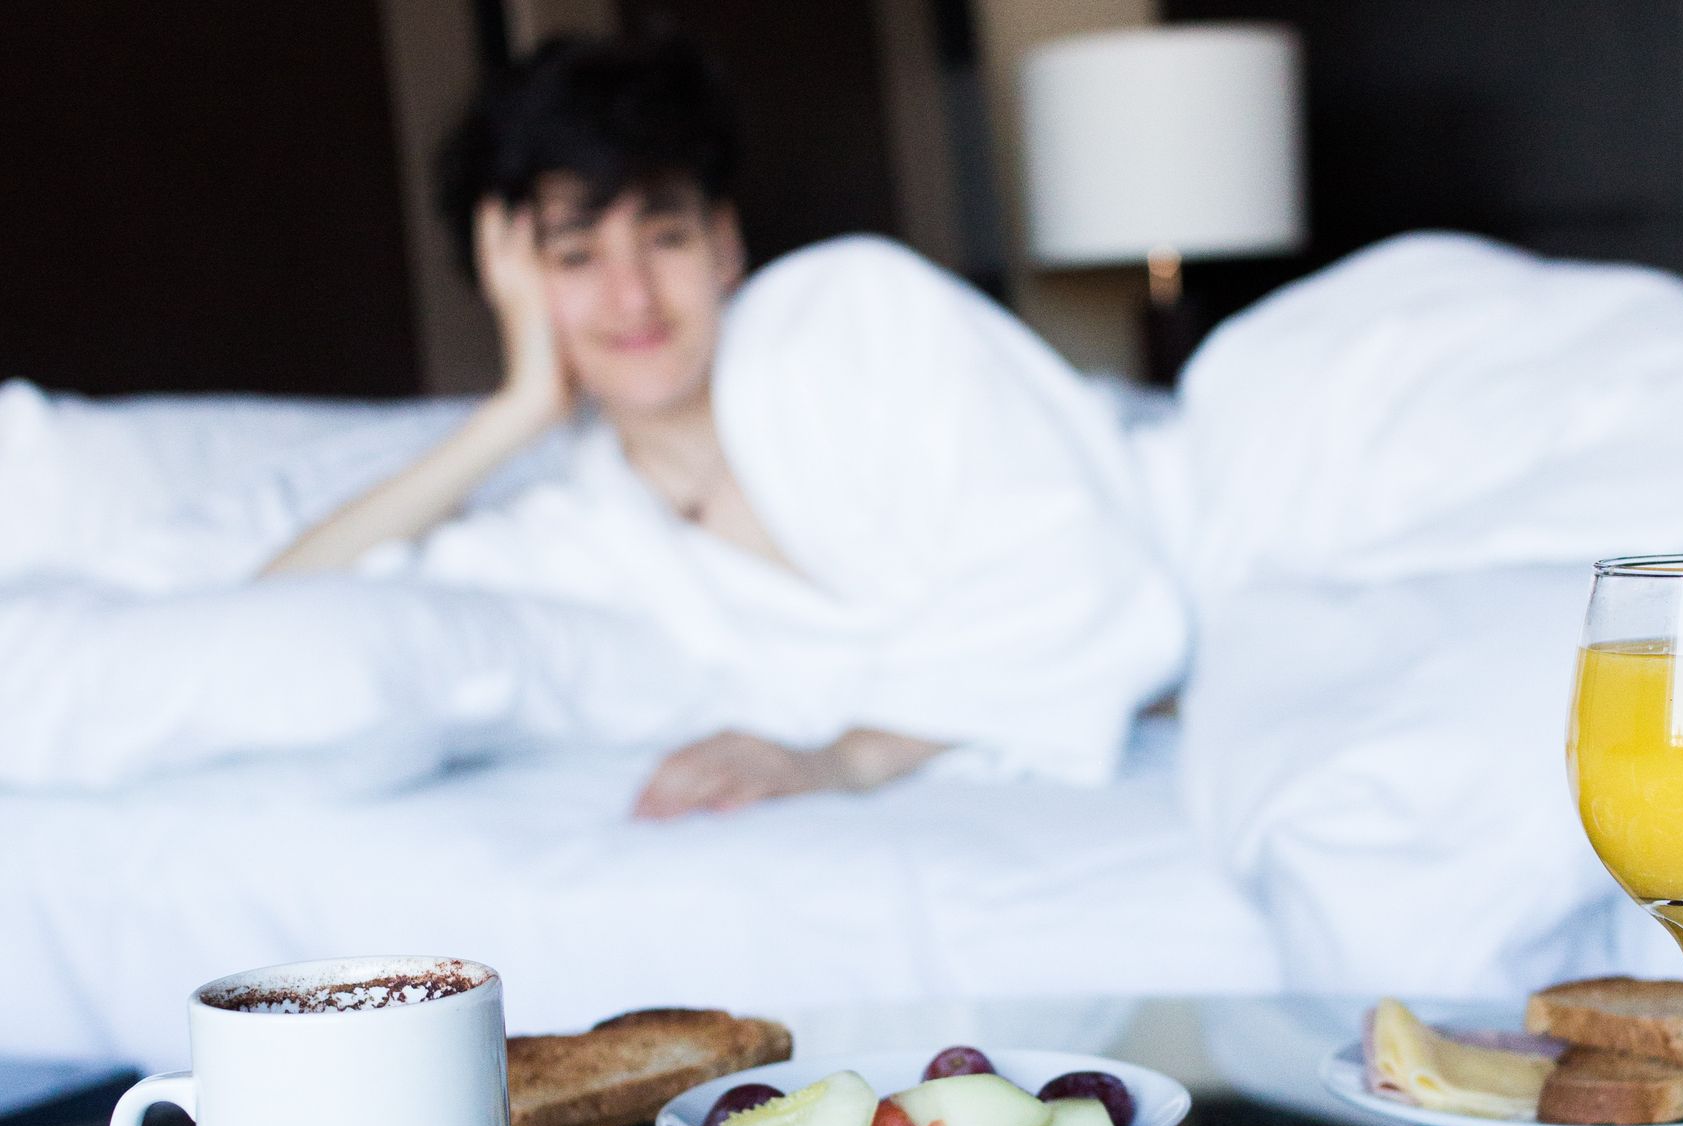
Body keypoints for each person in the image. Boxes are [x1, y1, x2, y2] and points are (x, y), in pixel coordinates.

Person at [263, 28, 1184, 818]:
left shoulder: (852, 312)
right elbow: (273, 622)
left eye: (665, 239)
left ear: (724, 242)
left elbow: (1080, 572)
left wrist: (843, 759)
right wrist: (514, 413)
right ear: (510, 283)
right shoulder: (578, 525)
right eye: (575, 255)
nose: (632, 297)